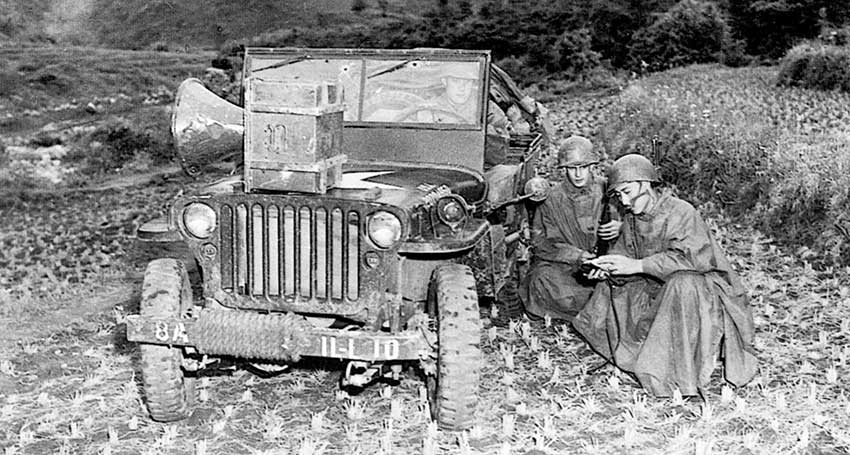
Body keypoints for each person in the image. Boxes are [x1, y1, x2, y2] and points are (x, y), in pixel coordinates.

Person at [574, 154, 758, 397]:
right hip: (657, 287)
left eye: (628, 192)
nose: (625, 201)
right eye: (619, 196)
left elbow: (691, 261)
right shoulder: (631, 219)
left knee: (682, 284)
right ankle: (641, 356)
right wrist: (609, 269)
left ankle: (675, 375)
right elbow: (626, 261)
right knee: (608, 294)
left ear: (646, 184)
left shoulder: (681, 212)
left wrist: (638, 266)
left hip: (702, 292)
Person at [520, 136, 622, 321]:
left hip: (610, 261)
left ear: (592, 166)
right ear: (564, 169)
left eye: (583, 167)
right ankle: (598, 305)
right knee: (541, 279)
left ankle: (602, 303)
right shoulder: (551, 198)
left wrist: (621, 228)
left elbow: (639, 219)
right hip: (568, 268)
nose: (578, 174)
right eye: (572, 168)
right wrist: (578, 256)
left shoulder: (609, 190)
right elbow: (542, 243)